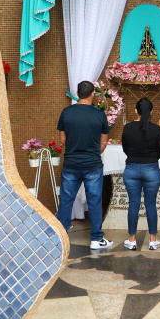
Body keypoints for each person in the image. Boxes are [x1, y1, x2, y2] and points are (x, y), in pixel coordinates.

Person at [56, 80, 114, 250]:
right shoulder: (100, 115)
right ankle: (96, 239)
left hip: (71, 164)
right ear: (92, 93)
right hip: (93, 165)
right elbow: (104, 143)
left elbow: (62, 140)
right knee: (95, 201)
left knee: (66, 200)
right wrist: (93, 152)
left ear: (78, 93)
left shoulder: (66, 112)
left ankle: (60, 238)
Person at [120, 97, 160, 251]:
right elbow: (159, 152)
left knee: (133, 203)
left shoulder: (127, 128)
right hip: (151, 169)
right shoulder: (157, 129)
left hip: (131, 168)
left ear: (135, 111)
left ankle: (132, 241)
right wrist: (149, 160)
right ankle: (153, 241)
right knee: (151, 204)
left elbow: (125, 148)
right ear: (151, 112)